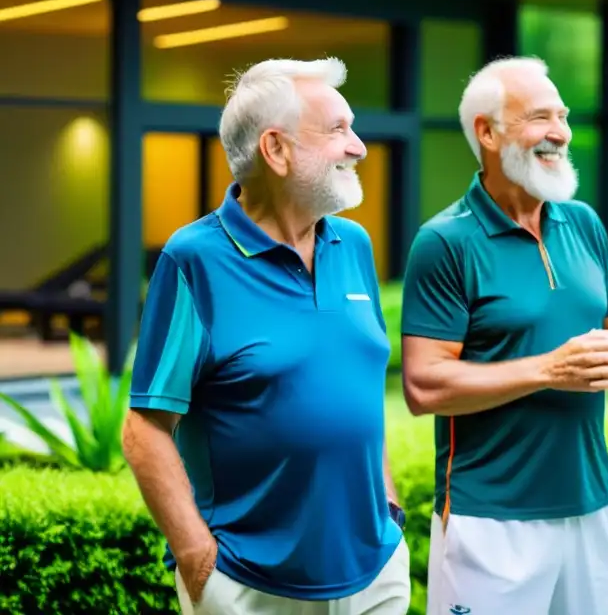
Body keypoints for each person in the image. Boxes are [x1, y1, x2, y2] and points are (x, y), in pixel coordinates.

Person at [122, 57, 410, 615]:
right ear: (275, 150)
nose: (359, 147)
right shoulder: (195, 259)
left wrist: (390, 510)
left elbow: (358, 393)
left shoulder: (352, 245)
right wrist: (196, 558)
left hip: (373, 572)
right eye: (337, 130)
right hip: (250, 584)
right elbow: (145, 427)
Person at [400, 56, 608, 615]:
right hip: (490, 518)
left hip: (593, 505)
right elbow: (425, 387)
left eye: (562, 116)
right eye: (540, 117)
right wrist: (550, 370)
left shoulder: (583, 222)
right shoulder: (444, 241)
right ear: (487, 132)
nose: (560, 132)